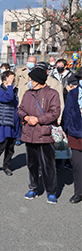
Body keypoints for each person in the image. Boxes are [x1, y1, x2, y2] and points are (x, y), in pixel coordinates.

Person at [18, 67, 61, 204]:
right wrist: (26, 117)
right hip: (29, 133)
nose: (29, 81)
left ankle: (51, 192)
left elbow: (55, 112)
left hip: (44, 134)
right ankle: (34, 188)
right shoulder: (27, 94)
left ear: (37, 81)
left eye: (31, 79)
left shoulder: (52, 93)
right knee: (32, 164)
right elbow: (20, 109)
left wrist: (38, 119)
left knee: (48, 165)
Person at [61, 69, 82, 204]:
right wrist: (64, 129)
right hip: (75, 133)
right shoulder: (73, 93)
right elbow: (67, 113)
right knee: (77, 165)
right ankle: (78, 192)